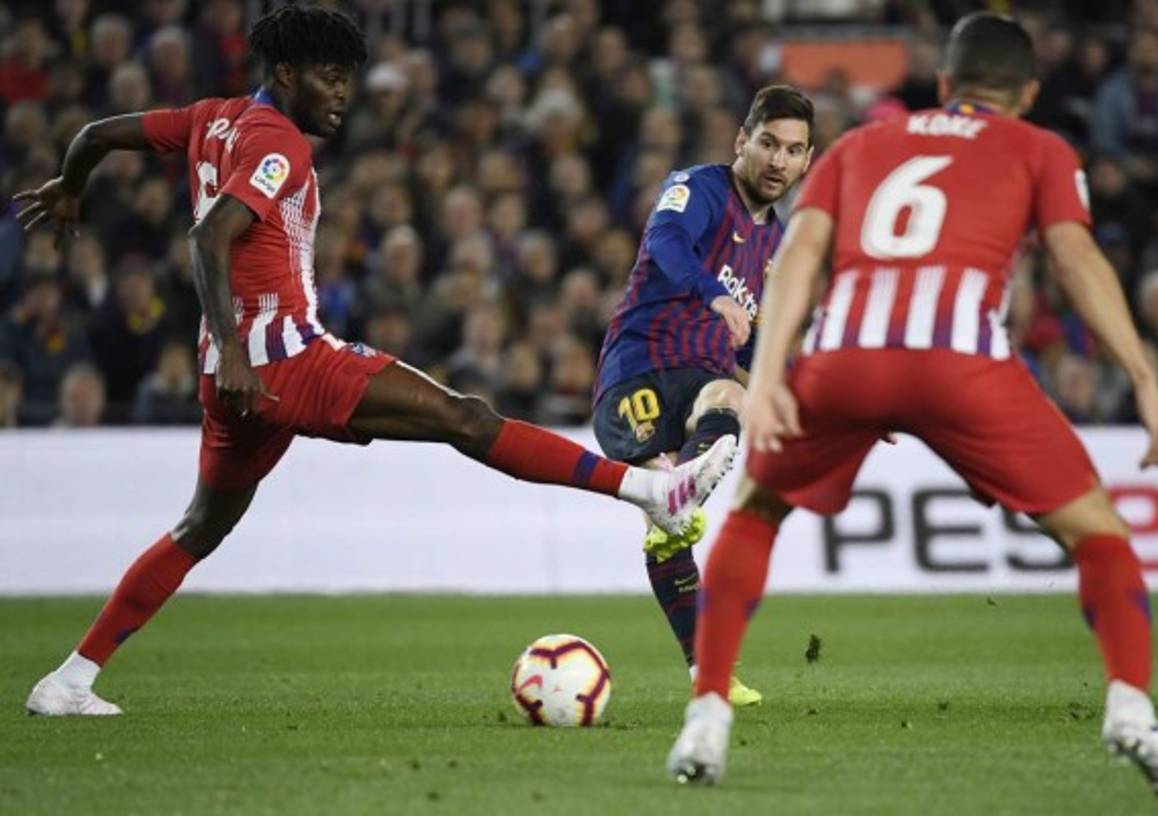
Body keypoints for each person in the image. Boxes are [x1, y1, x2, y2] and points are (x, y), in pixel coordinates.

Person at [17, 4, 735, 718]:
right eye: (329, 78)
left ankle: (70, 679)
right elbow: (208, 238)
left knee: (199, 527)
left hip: (230, 374)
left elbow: (95, 134)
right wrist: (238, 350)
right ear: (286, 74)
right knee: (465, 418)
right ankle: (650, 491)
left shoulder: (211, 117)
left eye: (347, 79)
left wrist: (71, 185)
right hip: (282, 359)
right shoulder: (278, 145)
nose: (342, 93)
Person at [666, 13, 1158, 798]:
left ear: (945, 83)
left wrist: (774, 371)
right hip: (961, 361)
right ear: (1028, 93)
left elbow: (802, 255)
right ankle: (1130, 709)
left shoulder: (858, 145)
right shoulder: (1040, 149)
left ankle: (707, 716)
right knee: (1101, 536)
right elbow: (1076, 256)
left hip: (844, 357)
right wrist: (1146, 380)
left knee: (754, 515)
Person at [593, 85, 814, 707]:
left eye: (792, 150)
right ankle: (681, 488)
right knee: (671, 516)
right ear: (742, 141)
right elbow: (665, 242)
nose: (777, 160)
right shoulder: (698, 187)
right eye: (768, 143)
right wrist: (714, 294)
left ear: (807, 161)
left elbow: (754, 350)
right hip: (637, 372)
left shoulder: (778, 244)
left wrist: (828, 401)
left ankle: (708, 678)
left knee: (723, 403)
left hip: (701, 379)